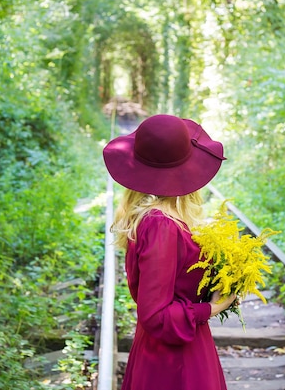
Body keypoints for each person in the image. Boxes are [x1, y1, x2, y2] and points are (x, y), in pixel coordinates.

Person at [103, 114, 237, 390]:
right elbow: (156, 316)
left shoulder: (158, 219)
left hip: (172, 350)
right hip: (173, 362)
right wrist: (213, 307)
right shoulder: (161, 225)